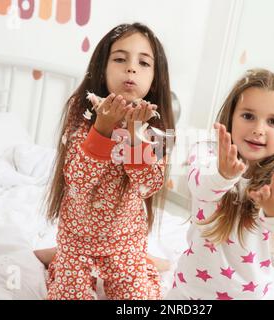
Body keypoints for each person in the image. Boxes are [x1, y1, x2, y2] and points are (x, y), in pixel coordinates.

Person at [41, 22, 175, 300]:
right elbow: (77, 181)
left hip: (125, 244)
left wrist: (136, 136)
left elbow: (148, 186)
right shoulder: (81, 112)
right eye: (120, 59)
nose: (131, 68)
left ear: (155, 77)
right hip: (77, 242)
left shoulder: (157, 125)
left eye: (143, 62)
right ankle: (59, 257)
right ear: (102, 68)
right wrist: (102, 129)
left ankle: (144, 262)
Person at [166, 68, 274, 300]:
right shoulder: (206, 152)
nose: (258, 129)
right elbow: (200, 186)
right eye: (248, 116)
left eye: (273, 121)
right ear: (231, 117)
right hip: (188, 289)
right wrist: (223, 174)